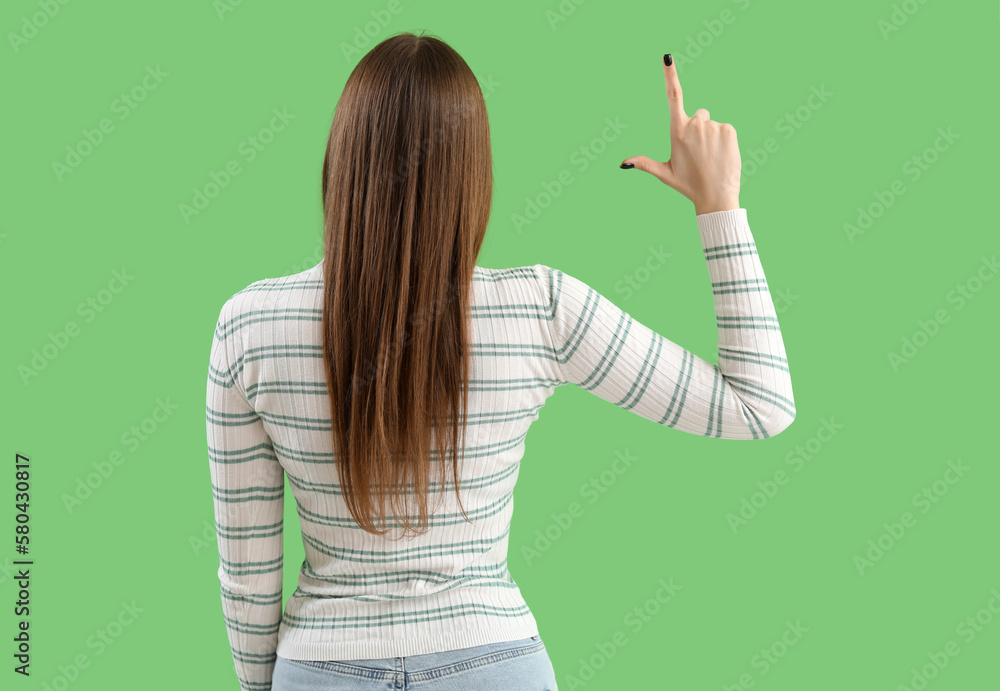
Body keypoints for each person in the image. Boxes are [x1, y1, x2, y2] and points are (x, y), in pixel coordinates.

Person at [205, 31, 795, 691]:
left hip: (322, 666)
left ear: (343, 161)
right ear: (474, 171)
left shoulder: (248, 326)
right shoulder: (539, 308)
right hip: (494, 664)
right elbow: (761, 405)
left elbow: (248, 577)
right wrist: (719, 205)